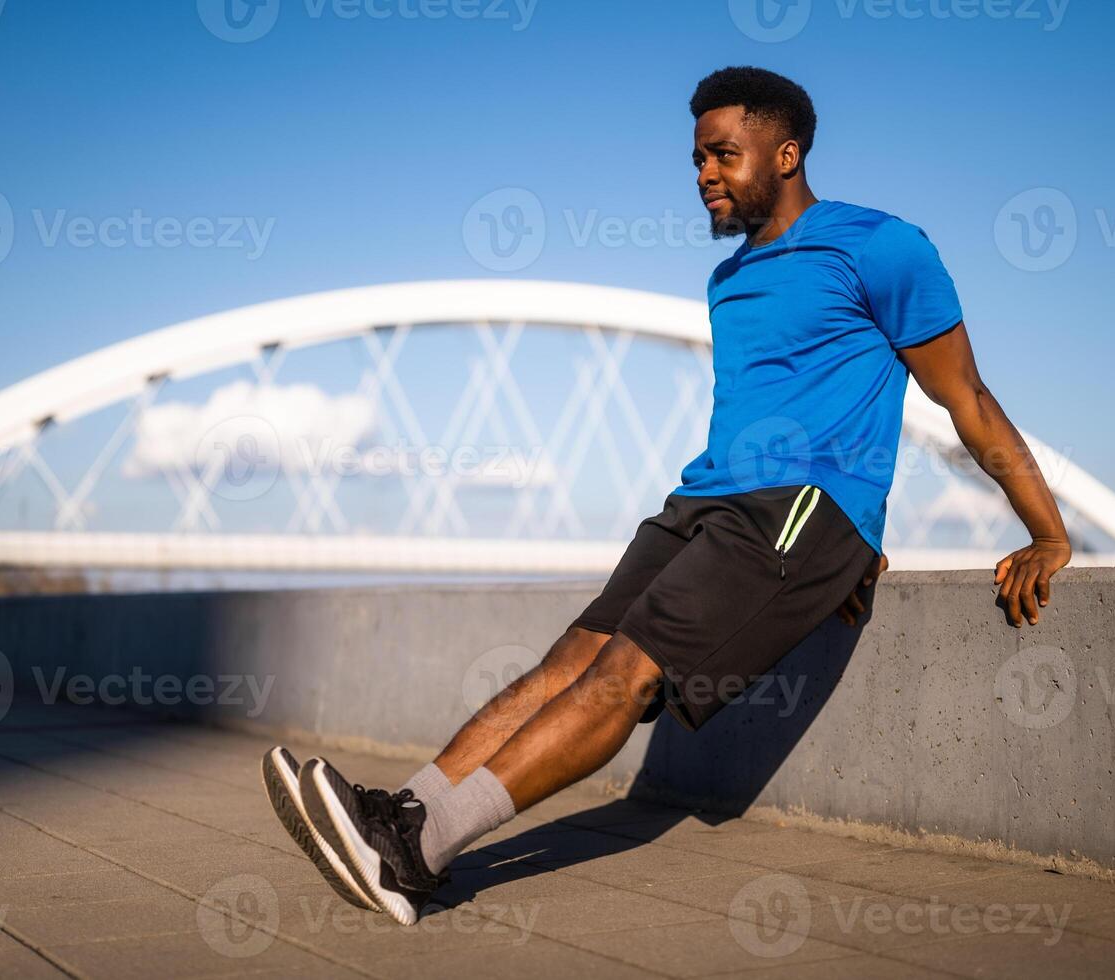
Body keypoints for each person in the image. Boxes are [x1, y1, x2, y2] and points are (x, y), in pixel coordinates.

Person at [261, 65, 1072, 925]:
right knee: (566, 662)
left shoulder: (879, 247)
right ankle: (404, 812)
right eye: (696, 159)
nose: (703, 176)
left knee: (625, 674)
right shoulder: (727, 280)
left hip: (802, 510)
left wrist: (1043, 533)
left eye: (724, 154)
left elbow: (966, 399)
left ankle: (415, 857)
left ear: (787, 153)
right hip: (702, 502)